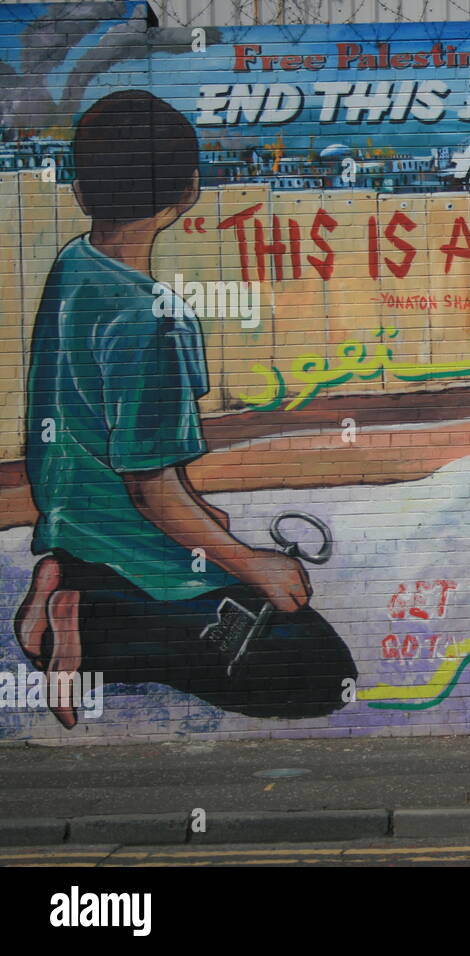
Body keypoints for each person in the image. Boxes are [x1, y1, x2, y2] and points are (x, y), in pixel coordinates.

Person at [13, 90, 356, 728]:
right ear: (187, 193)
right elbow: (150, 488)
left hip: (80, 526)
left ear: (82, 191)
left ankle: (74, 582)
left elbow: (94, 430)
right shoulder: (154, 321)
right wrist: (250, 563)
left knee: (240, 578)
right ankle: (93, 621)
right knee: (322, 675)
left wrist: (206, 521)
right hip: (137, 555)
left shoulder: (74, 268)